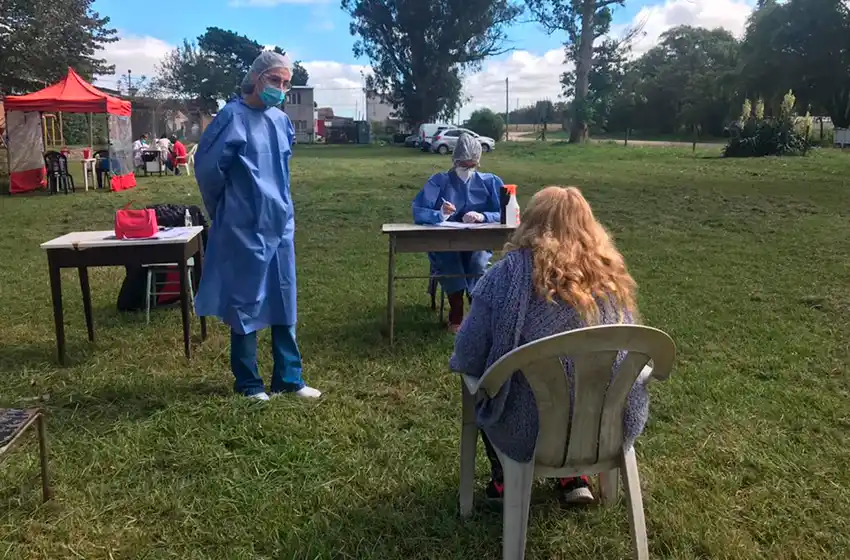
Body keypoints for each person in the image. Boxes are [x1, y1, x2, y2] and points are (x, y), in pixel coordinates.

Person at [449, 186, 645, 505]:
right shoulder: (612, 276)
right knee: (577, 383)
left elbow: (468, 354)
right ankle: (575, 478)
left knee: (490, 388)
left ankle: (504, 480)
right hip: (607, 426)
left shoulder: (505, 276)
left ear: (529, 223)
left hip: (529, 431)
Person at [194, 50, 321, 402]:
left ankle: (289, 378)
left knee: (284, 297)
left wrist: (281, 211)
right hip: (243, 222)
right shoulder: (231, 117)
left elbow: (281, 171)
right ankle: (249, 383)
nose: (280, 88)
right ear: (256, 77)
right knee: (245, 300)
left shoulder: (280, 121)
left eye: (286, 83)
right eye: (274, 80)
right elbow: (208, 171)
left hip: (280, 222)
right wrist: (227, 210)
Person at [412, 133, 503, 333]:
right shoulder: (439, 182)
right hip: (445, 243)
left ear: (478, 162)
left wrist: (483, 216)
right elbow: (418, 211)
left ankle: (478, 312)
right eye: (463, 165)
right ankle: (457, 311)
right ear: (454, 161)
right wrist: (440, 214)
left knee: (477, 263)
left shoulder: (490, 182)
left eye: (472, 165)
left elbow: (507, 212)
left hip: (477, 242)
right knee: (450, 262)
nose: (467, 169)